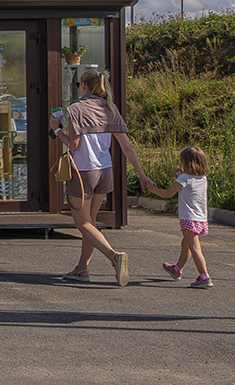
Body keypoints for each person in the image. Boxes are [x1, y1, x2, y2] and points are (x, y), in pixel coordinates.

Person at [48, 69, 155, 286]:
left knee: (82, 223)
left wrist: (55, 129)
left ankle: (114, 256)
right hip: (105, 170)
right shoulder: (110, 109)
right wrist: (142, 175)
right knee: (92, 222)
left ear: (84, 86)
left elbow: (74, 144)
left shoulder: (76, 109)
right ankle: (82, 268)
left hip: (84, 172)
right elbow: (127, 147)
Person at [145, 146, 213, 288]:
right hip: (200, 218)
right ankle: (177, 269)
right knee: (186, 244)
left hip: (188, 217)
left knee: (194, 247)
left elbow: (168, 194)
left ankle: (204, 276)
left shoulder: (183, 178)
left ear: (186, 163)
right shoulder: (202, 178)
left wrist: (153, 190)